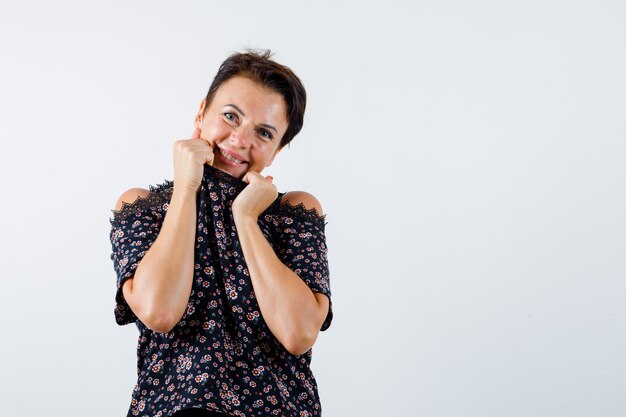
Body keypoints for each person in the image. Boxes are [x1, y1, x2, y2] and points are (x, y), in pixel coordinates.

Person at [109, 50, 333, 417]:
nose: (240, 140)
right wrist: (185, 190)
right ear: (201, 113)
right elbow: (159, 311)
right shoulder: (143, 206)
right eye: (231, 116)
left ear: (276, 151)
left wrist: (245, 218)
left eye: (263, 132)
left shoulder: (293, 212)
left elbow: (298, 334)